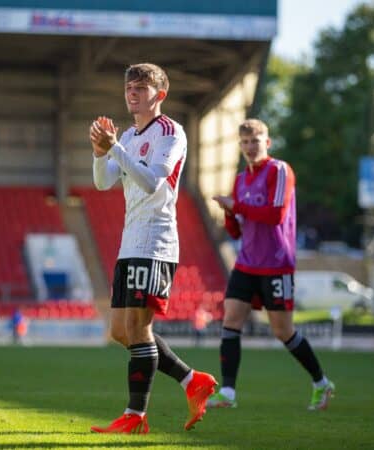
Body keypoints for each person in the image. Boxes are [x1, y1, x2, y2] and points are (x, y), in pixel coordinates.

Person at [88, 62, 217, 435]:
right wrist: (101, 152)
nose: (132, 93)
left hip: (156, 240)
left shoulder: (170, 132)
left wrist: (116, 150)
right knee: (120, 330)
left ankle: (135, 416)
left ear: (160, 94)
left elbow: (149, 183)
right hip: (130, 241)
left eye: (141, 88)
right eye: (129, 87)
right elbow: (101, 183)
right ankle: (192, 380)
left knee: (138, 329)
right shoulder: (127, 136)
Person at [209, 118, 335, 411]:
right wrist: (228, 213)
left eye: (256, 140)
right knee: (231, 319)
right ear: (240, 146)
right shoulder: (241, 179)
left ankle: (321, 382)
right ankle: (227, 392)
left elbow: (276, 215)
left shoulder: (279, 170)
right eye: (245, 142)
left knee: (282, 331)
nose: (251, 146)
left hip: (277, 264)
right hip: (246, 263)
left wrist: (236, 206)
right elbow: (237, 230)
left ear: (268, 142)